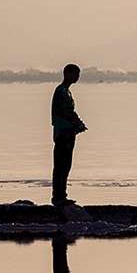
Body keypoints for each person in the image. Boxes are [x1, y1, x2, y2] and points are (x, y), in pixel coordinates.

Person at [51, 63, 87, 206]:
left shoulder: (66, 91)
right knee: (61, 165)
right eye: (75, 74)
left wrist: (76, 124)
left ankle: (62, 195)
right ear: (67, 74)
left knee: (66, 165)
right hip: (63, 132)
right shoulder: (60, 91)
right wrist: (77, 122)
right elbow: (64, 111)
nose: (77, 77)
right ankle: (58, 197)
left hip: (68, 131)